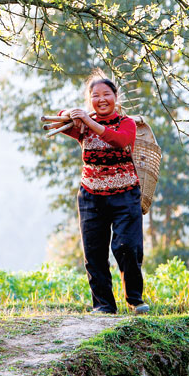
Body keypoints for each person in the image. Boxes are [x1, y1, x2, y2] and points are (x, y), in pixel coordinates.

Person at [59, 76, 149, 315]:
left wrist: (89, 121)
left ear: (115, 97)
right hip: (90, 196)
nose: (101, 100)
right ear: (89, 100)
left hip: (125, 195)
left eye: (106, 94)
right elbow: (61, 118)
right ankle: (103, 305)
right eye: (95, 96)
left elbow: (120, 141)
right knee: (94, 252)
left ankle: (135, 300)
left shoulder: (127, 123)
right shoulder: (83, 125)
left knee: (127, 247)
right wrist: (71, 113)